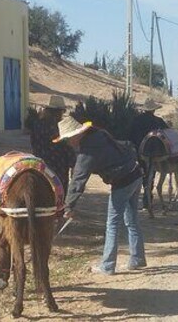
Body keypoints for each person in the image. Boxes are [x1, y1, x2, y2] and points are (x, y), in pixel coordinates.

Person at [55, 116, 146, 275]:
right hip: (136, 173)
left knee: (112, 224)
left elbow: (77, 181)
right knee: (131, 220)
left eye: (68, 138)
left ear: (77, 134)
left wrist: (68, 206)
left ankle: (107, 266)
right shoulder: (98, 134)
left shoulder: (87, 152)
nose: (68, 142)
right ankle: (137, 258)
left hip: (123, 181)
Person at [28, 95, 76, 195]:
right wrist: (73, 163)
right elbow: (68, 147)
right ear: (61, 111)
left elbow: (33, 142)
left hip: (40, 165)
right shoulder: (63, 126)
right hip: (59, 168)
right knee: (59, 195)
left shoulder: (37, 124)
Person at [129, 99, 169, 206]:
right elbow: (167, 133)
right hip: (155, 153)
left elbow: (131, 136)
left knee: (140, 174)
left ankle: (141, 197)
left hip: (139, 152)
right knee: (151, 174)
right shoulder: (159, 121)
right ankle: (147, 199)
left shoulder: (136, 120)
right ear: (154, 110)